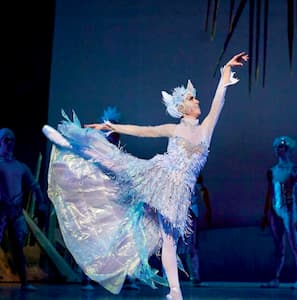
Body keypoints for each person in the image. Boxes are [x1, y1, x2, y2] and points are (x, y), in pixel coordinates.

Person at [41, 51, 248, 300]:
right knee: (119, 164)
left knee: (168, 241)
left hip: (179, 194)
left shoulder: (206, 130)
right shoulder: (174, 128)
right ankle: (72, 144)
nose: (197, 101)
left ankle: (175, 292)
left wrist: (226, 70)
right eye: (193, 98)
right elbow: (143, 131)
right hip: (159, 176)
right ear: (183, 108)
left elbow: (219, 101)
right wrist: (112, 127)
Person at [79, 106, 140, 291]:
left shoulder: (118, 153)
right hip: (98, 202)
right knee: (94, 239)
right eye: (111, 129)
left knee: (123, 239)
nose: (115, 134)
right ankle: (87, 278)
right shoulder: (99, 151)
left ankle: (125, 276)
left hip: (116, 202)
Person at [0, 128, 48, 291]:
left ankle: (24, 283)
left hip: (15, 212)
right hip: (1, 210)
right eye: (6, 140)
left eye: (12, 140)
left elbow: (34, 185)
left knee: (18, 249)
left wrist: (41, 201)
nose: (10, 143)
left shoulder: (20, 167)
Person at [259, 136, 297, 290]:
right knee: (279, 246)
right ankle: (276, 278)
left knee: (294, 244)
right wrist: (266, 213)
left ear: (287, 150)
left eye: (281, 147)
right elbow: (270, 193)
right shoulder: (272, 171)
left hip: (289, 210)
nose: (277, 150)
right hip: (275, 210)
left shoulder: (294, 169)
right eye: (277, 147)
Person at [178, 173, 212, 287]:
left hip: (189, 214)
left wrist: (208, 211)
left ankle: (195, 276)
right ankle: (168, 276)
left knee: (191, 247)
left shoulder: (194, 174)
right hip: (178, 215)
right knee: (173, 246)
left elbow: (203, 190)